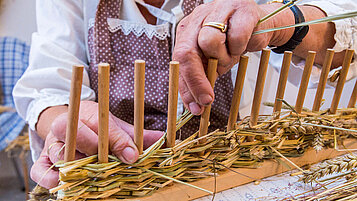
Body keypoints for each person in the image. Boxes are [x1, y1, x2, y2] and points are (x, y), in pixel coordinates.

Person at [13, 0, 357, 189]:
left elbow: (347, 29)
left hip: (238, 175)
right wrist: (66, 122)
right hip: (123, 181)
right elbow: (48, 86)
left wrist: (281, 21)